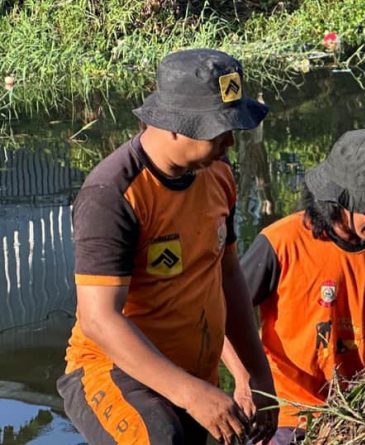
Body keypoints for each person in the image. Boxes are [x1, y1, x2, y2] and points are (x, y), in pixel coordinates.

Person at [57, 48, 278, 445]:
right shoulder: (112, 194)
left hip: (191, 374)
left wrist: (255, 373)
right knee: (161, 436)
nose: (230, 141)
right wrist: (190, 394)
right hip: (113, 370)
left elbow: (227, 274)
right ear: (175, 124)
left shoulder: (219, 174)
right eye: (219, 130)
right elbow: (99, 319)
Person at [222, 129, 365, 444]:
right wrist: (244, 379)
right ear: (339, 200)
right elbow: (218, 314)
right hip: (283, 410)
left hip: (352, 408)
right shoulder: (282, 243)